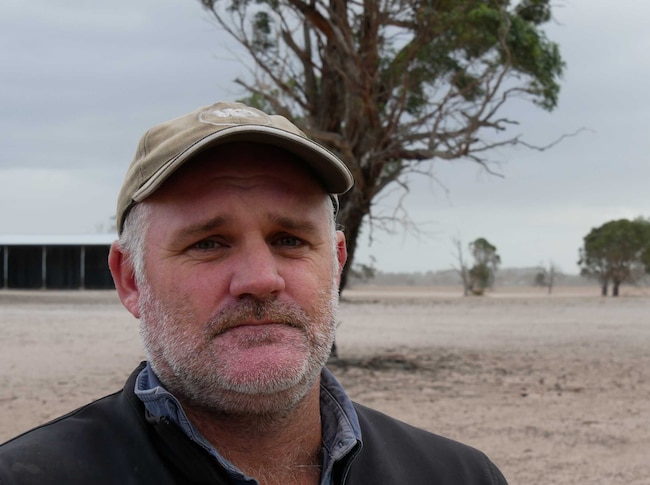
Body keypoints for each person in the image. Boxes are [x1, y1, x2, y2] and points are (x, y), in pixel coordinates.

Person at [0, 102, 508, 485]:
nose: (261, 279)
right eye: (208, 243)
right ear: (131, 279)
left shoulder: (458, 475)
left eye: (289, 240)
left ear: (335, 263)